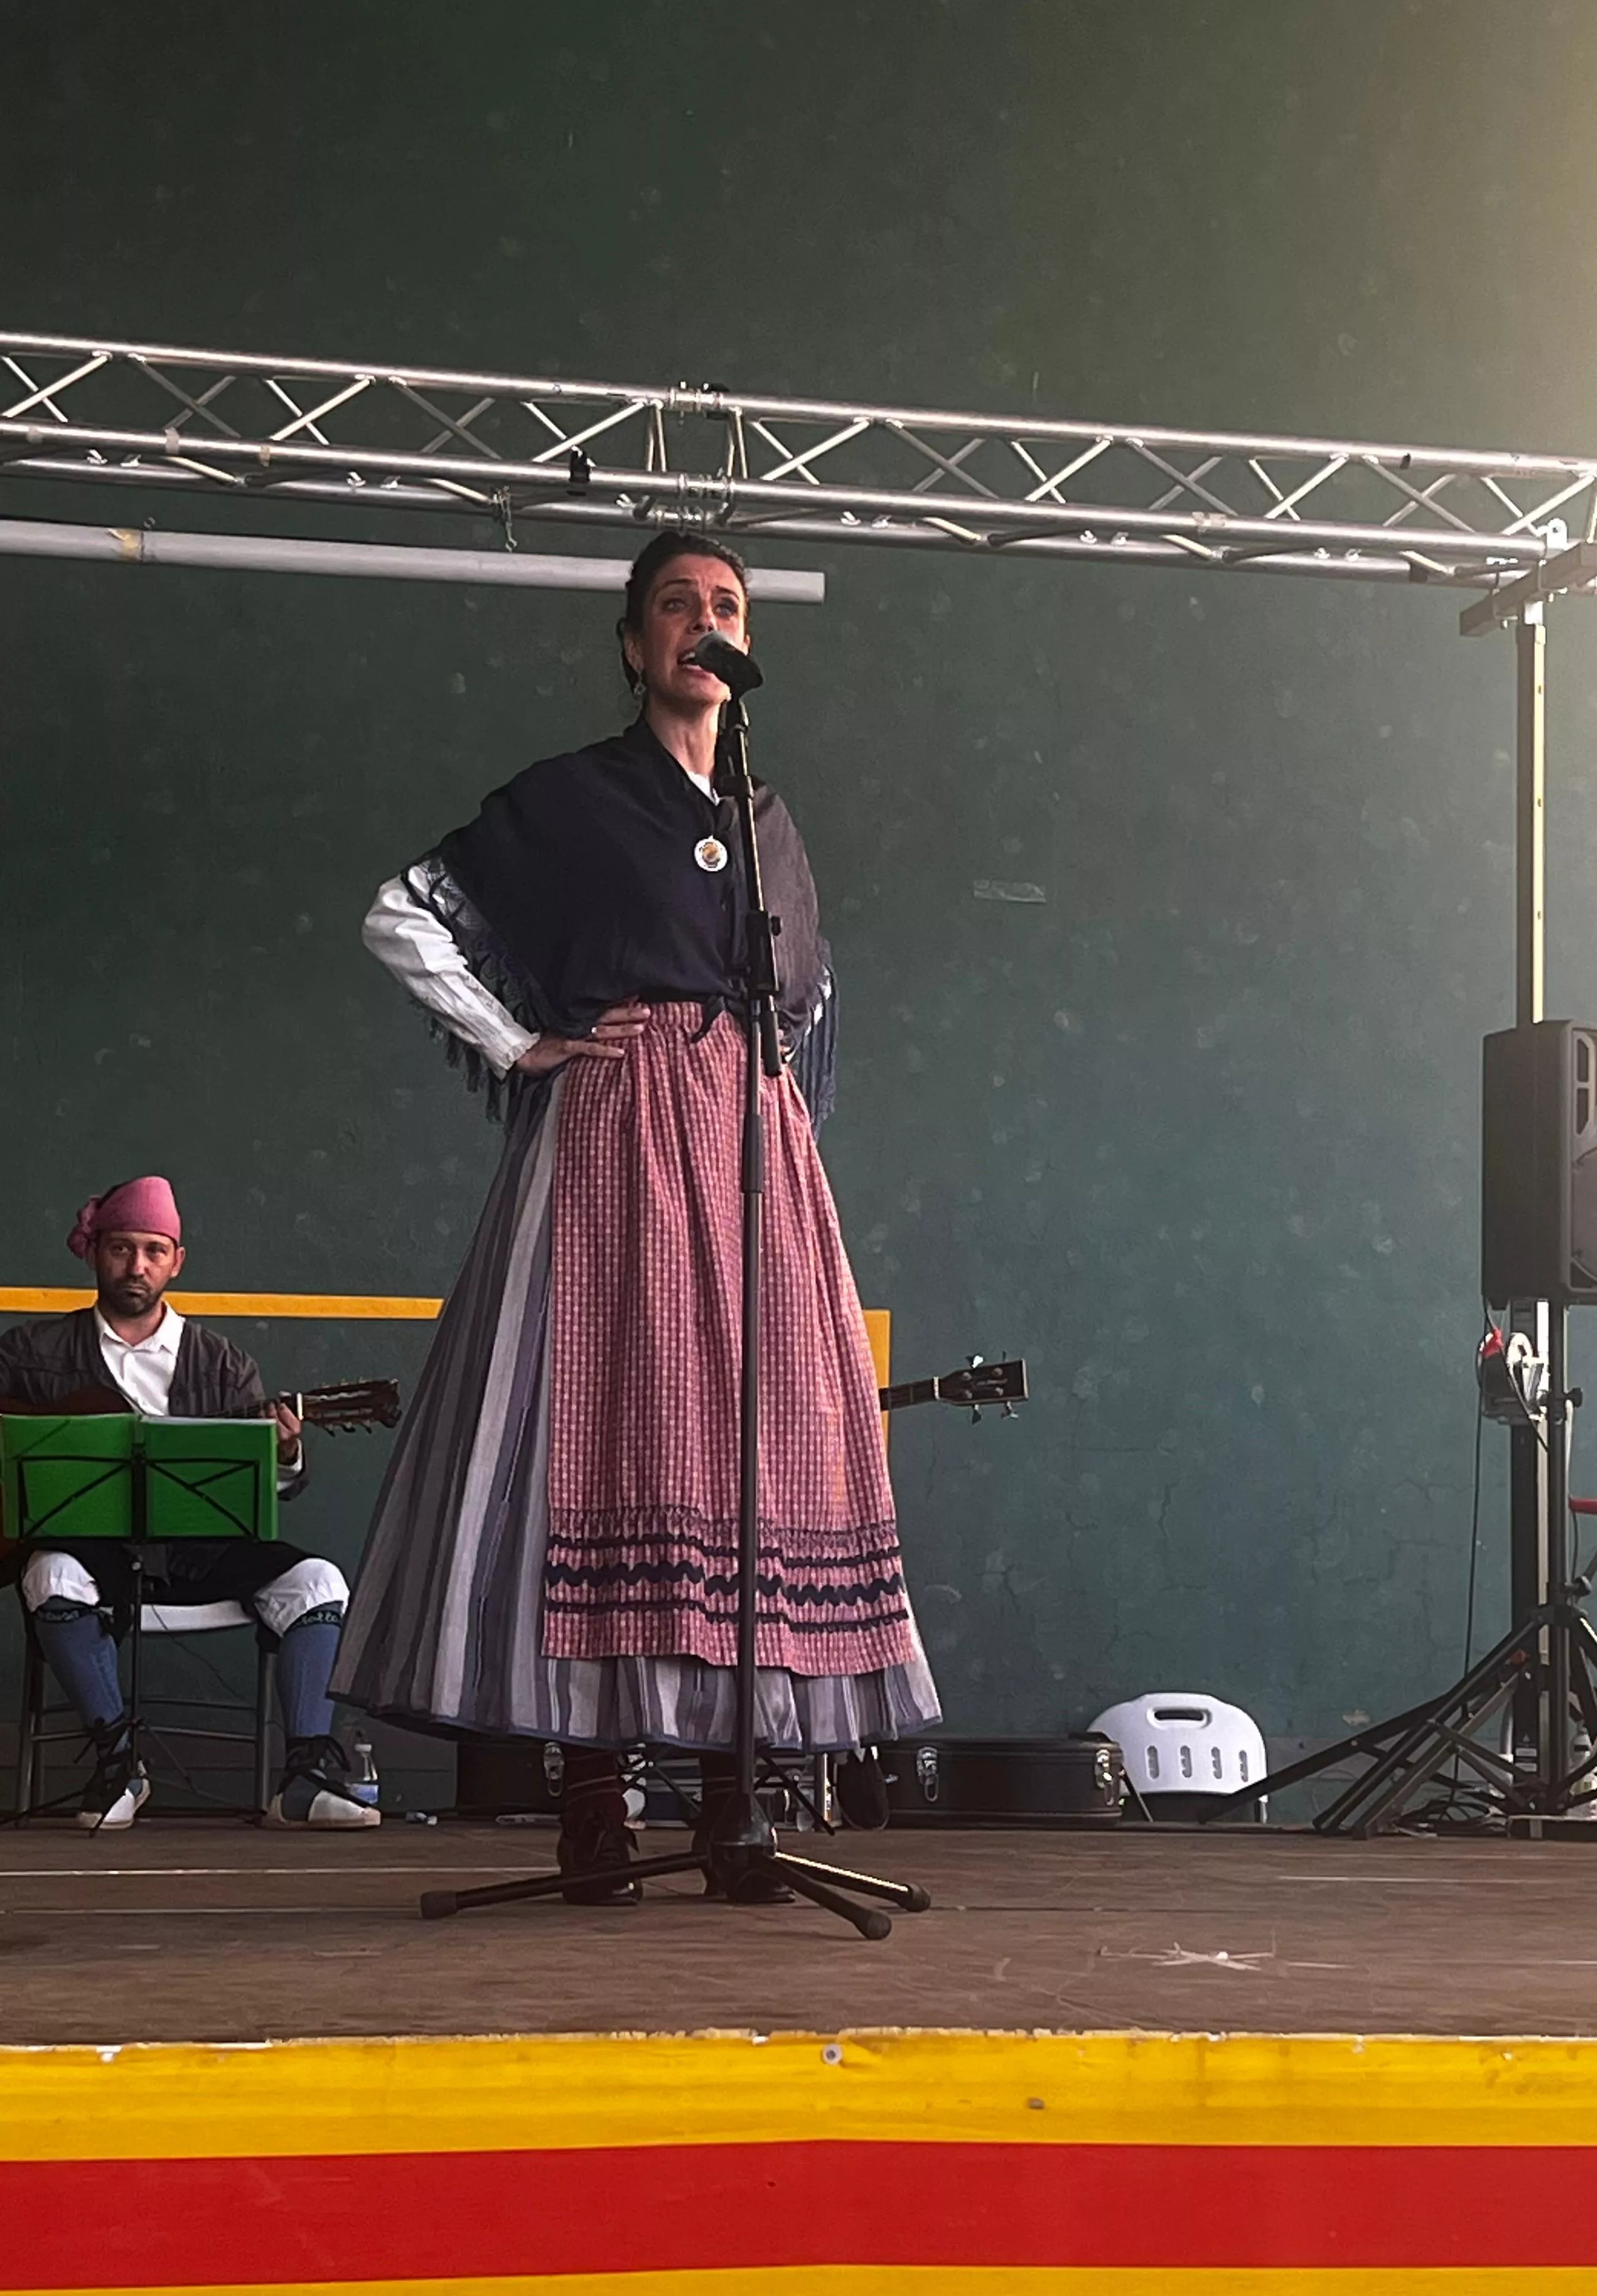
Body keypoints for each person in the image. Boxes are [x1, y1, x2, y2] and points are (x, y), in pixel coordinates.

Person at [334, 529, 940, 1899]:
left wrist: (774, 1125)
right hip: (620, 1141)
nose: (704, 625)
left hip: (751, 1155)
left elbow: (809, 1006)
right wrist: (519, 1040)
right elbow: (403, 916)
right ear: (632, 645)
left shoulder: (772, 820)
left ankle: (736, 1798)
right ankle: (593, 1803)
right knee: (605, 1435)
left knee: (752, 1457)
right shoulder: (575, 799)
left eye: (726, 607)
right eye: (677, 606)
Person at [0, 1176, 380, 1830]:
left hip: (202, 1552)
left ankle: (306, 1778)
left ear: (177, 1261)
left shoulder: (226, 1365)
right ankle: (119, 1764)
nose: (137, 1265)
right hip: (93, 1549)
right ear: (94, 1252)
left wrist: (285, 1452)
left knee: (319, 1582)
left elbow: (277, 1490)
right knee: (48, 1572)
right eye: (121, 1248)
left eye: (153, 1250)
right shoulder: (29, 1354)